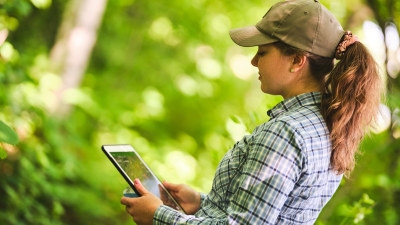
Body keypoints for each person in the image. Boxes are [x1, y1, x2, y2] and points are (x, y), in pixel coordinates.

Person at [120, 0, 382, 224]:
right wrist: (200, 202)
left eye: (263, 52)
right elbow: (263, 214)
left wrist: (158, 215)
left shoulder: (285, 133)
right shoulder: (325, 124)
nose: (254, 61)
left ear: (297, 60)